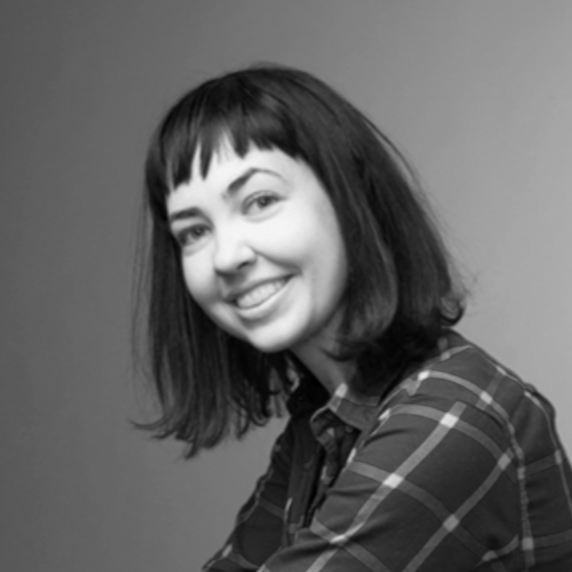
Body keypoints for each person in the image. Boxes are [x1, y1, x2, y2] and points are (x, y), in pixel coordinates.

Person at [135, 64, 572, 571]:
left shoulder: (452, 419)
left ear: (351, 197)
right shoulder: (326, 420)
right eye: (193, 231)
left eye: (260, 201)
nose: (226, 257)